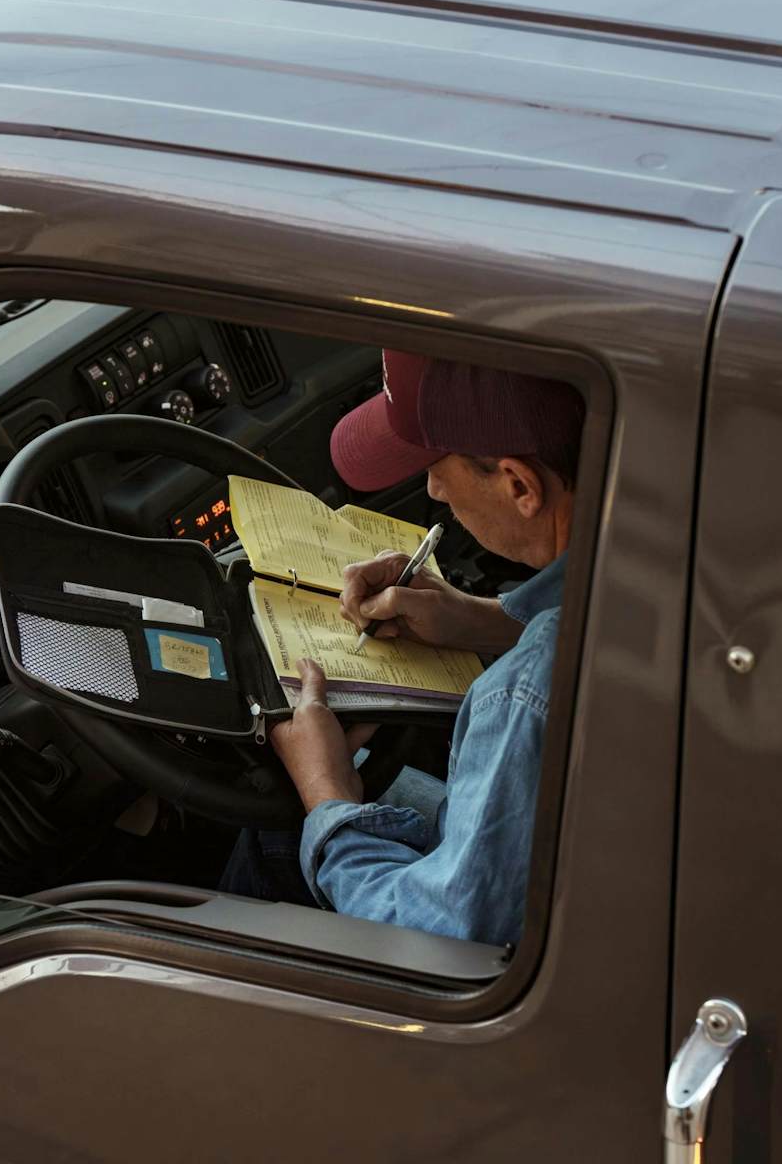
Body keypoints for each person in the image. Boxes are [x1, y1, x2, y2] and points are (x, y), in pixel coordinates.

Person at [220, 350, 585, 945]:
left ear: (520, 485)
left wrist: (326, 796)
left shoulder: (526, 695)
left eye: (438, 466)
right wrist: (482, 621)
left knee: (280, 827)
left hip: (506, 965)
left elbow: (440, 937)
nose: (434, 489)